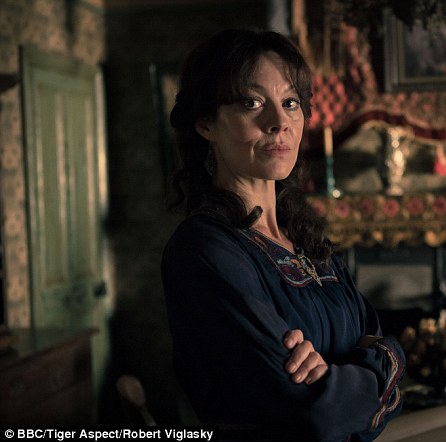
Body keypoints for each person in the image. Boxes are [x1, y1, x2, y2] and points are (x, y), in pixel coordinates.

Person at [162, 28, 405, 441]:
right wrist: (375, 370)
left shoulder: (305, 239)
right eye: (251, 103)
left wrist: (361, 368)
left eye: (290, 103)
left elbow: (389, 347)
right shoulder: (205, 250)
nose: (279, 123)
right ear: (206, 123)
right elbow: (315, 413)